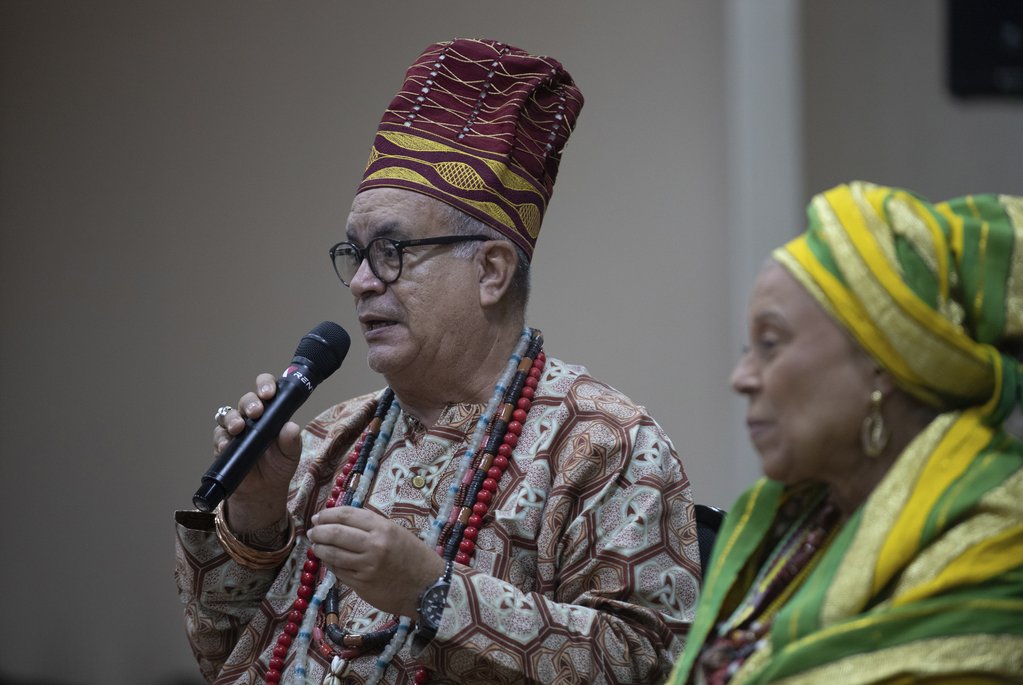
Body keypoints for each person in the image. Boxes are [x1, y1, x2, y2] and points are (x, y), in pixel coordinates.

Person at [176, 38, 701, 685]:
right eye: (354, 253)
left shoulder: (605, 444)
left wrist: (435, 592)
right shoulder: (327, 440)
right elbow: (219, 655)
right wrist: (256, 513)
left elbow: (650, 662)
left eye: (392, 250)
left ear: (490, 269)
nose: (363, 281)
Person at [667, 181, 1023, 685]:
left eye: (770, 343)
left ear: (884, 362)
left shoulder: (997, 542)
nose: (742, 378)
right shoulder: (792, 527)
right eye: (746, 349)